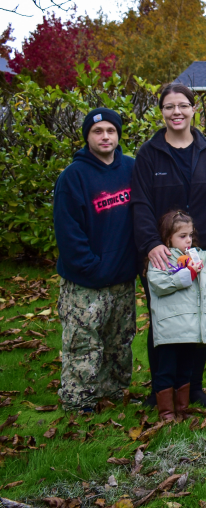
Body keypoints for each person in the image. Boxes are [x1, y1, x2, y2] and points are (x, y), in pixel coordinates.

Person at [132, 83, 206, 408]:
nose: (177, 112)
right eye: (169, 106)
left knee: (198, 317)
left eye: (183, 105)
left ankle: (192, 387)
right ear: (162, 112)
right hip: (163, 256)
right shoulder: (149, 154)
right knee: (164, 321)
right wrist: (152, 244)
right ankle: (162, 391)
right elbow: (140, 204)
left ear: (194, 109)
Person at [53, 108, 138, 412]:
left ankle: (114, 391)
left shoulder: (131, 168)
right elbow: (68, 231)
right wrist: (92, 267)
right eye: (97, 131)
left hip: (122, 278)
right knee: (84, 343)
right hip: (86, 281)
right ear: (87, 137)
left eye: (110, 131)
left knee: (119, 341)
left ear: (118, 135)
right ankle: (79, 399)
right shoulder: (73, 177)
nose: (105, 137)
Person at [147, 211, 206, 421]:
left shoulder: (200, 258)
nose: (188, 240)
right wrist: (187, 274)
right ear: (168, 237)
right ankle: (167, 414)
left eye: (190, 234)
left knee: (184, 372)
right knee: (166, 373)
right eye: (182, 236)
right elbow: (159, 284)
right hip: (171, 331)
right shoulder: (163, 259)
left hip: (192, 330)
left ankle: (182, 409)